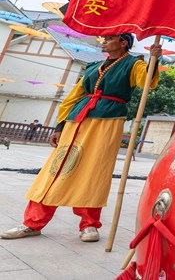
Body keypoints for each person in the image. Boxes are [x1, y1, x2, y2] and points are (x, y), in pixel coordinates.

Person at [1, 34, 161, 243]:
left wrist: (154, 60)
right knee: (57, 168)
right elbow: (73, 97)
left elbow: (147, 82)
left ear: (123, 43)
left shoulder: (134, 63)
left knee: (94, 171)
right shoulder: (93, 67)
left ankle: (89, 224)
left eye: (110, 38)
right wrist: (60, 126)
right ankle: (32, 222)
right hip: (77, 120)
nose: (104, 41)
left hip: (107, 122)